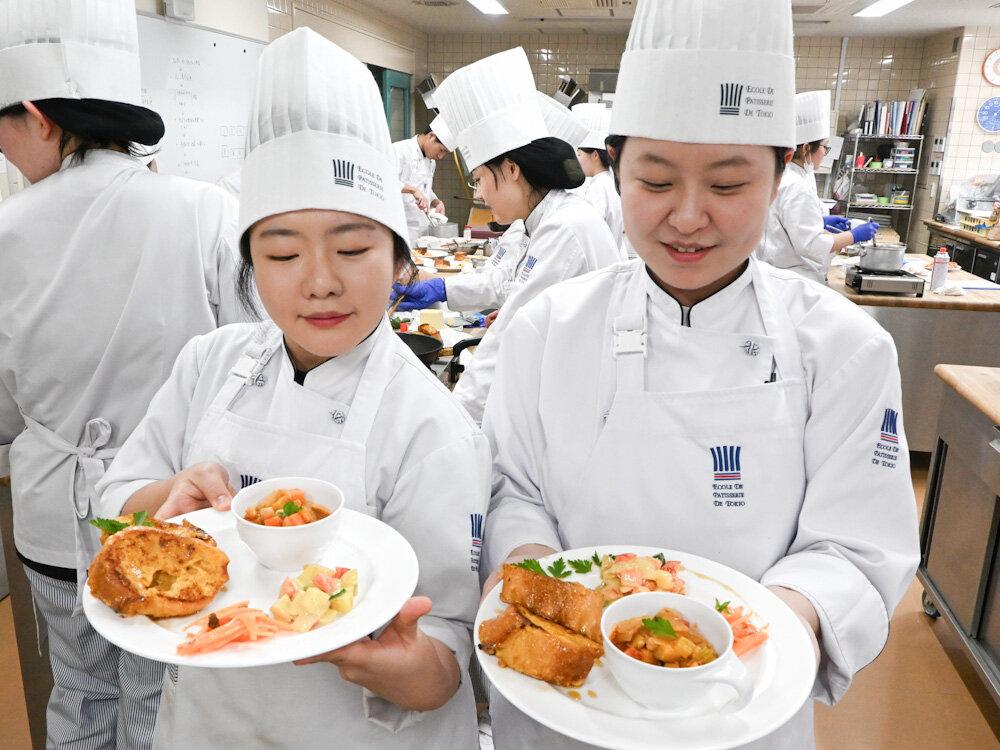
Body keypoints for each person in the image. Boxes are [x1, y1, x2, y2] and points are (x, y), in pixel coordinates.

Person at [479, 1, 919, 748]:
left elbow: (856, 547)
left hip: (741, 703)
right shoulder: (548, 329)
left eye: (727, 185)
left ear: (779, 177)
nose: (687, 217)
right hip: (563, 695)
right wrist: (535, 576)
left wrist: (762, 638)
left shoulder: (844, 347)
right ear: (615, 173)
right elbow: (510, 489)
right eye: (654, 182)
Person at [96, 27, 488, 749]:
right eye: (281, 254)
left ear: (400, 262)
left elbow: (447, 654)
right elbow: (116, 507)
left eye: (352, 248)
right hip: (203, 726)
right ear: (248, 263)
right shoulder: (209, 362)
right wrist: (170, 494)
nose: (320, 282)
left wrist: (404, 666)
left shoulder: (433, 427)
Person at [0, 2, 242, 747]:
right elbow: (250, 362)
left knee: (79, 691)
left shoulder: (5, 233)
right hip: (174, 514)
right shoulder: (205, 210)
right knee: (166, 693)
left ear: (38, 117)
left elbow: (3, 416)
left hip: (52, 520)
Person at [394, 48, 621, 423]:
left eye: (480, 179)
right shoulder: (547, 219)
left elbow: (507, 340)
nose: (480, 194)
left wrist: (454, 422)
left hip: (578, 400)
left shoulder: (563, 227)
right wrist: (442, 288)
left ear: (512, 169)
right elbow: (513, 287)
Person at [758, 90, 878, 283]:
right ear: (807, 147)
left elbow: (784, 224)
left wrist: (820, 221)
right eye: (824, 147)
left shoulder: (784, 175)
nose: (825, 153)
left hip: (777, 275)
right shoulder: (796, 185)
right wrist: (854, 235)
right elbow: (811, 245)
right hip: (792, 281)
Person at [573, 102, 624, 247]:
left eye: (580, 154)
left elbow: (588, 232)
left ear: (595, 155)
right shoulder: (610, 182)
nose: (577, 159)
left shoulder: (598, 189)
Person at [393, 122, 451, 244]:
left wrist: (436, 201)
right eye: (441, 150)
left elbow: (425, 188)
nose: (440, 156)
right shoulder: (399, 150)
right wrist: (412, 190)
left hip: (423, 229)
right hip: (401, 227)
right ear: (431, 136)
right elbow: (386, 181)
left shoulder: (431, 161)